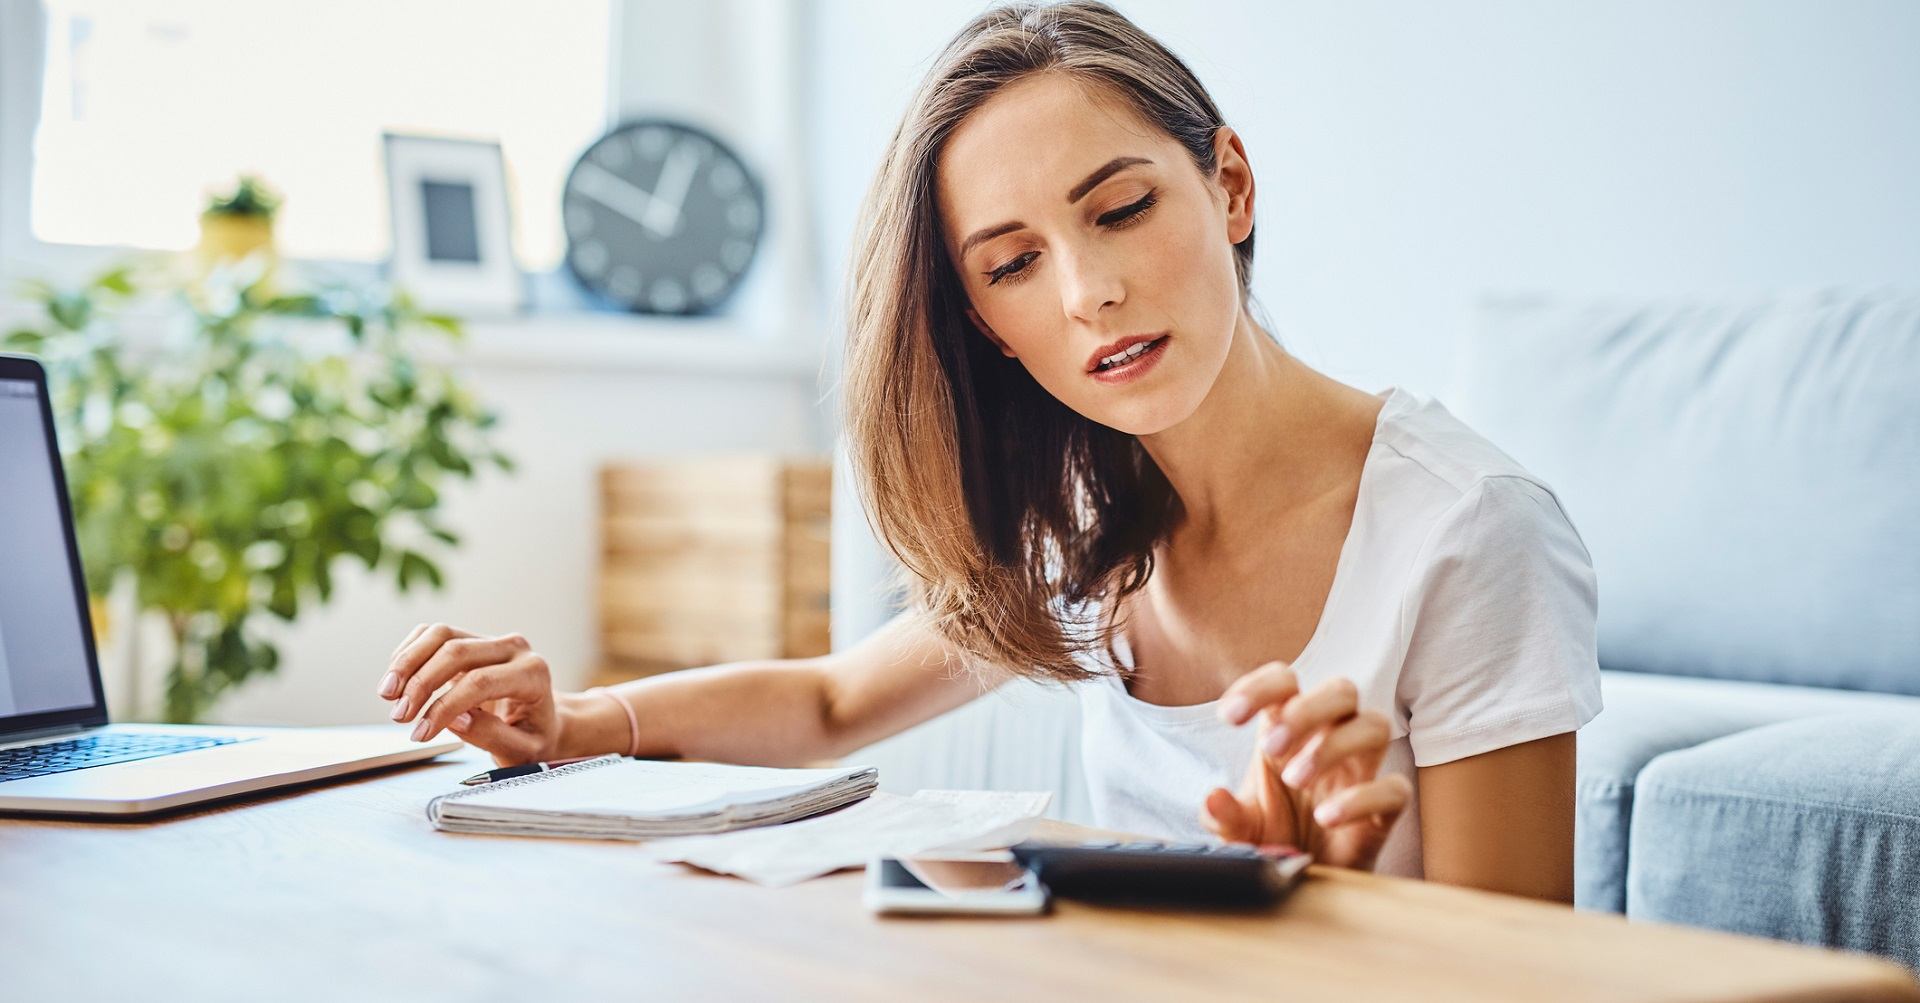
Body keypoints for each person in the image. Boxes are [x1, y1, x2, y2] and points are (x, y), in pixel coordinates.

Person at [374, 1, 1600, 902]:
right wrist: (572, 722)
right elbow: (831, 700)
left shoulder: (1467, 528)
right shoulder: (1091, 514)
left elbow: (1529, 974)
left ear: (1229, 186)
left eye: (1121, 208)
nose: (1090, 292)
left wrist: (1332, 897)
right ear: (985, 326)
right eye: (1014, 264)